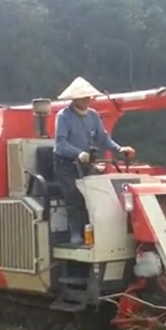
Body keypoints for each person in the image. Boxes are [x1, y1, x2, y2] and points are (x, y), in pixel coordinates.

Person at [53, 76, 135, 246]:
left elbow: (103, 139)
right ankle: (75, 234)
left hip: (86, 163)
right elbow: (60, 144)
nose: (86, 100)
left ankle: (95, 232)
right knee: (74, 196)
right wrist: (78, 153)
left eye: (88, 97)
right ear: (74, 98)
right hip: (65, 164)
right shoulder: (63, 116)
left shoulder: (93, 116)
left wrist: (119, 149)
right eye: (83, 97)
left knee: (94, 195)